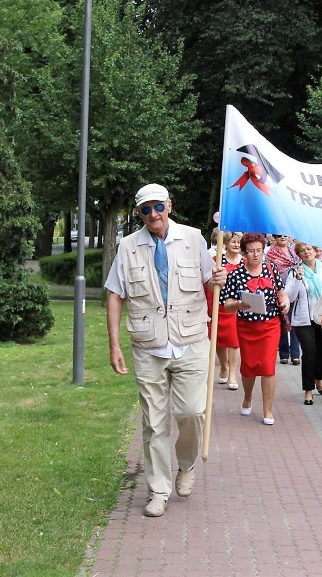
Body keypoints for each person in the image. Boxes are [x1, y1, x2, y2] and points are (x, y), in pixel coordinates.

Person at [105, 183, 227, 518]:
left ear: (169, 206)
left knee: (191, 412)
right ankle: (158, 489)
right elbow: (115, 294)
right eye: (146, 209)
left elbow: (210, 282)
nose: (153, 214)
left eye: (158, 207)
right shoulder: (128, 246)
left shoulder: (193, 238)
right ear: (139, 214)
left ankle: (185, 466)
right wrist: (114, 345)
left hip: (190, 341)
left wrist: (219, 277)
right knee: (154, 423)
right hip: (148, 346)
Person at [222, 233, 290, 426]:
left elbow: (281, 291)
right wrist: (237, 304)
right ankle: (248, 397)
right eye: (251, 251)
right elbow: (226, 304)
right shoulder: (235, 274)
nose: (255, 255)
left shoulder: (271, 268)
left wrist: (284, 301)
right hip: (246, 326)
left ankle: (268, 410)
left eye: (259, 251)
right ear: (244, 253)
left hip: (270, 325)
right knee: (249, 367)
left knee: (268, 367)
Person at [285, 242, 322, 405]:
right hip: (304, 319)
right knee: (310, 351)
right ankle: (308, 390)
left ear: (315, 250)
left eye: (309, 249)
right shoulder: (295, 271)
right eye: (302, 251)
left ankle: (318, 379)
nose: (306, 252)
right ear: (299, 255)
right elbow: (289, 297)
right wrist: (297, 279)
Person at [208, 230, 242, 391]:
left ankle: (233, 374)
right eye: (233, 241)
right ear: (226, 244)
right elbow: (208, 283)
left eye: (238, 242)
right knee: (220, 339)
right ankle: (224, 366)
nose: (236, 244)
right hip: (220, 305)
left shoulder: (244, 263)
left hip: (239, 306)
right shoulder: (217, 262)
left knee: (235, 341)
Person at [266, 234, 302, 364]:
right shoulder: (271, 253)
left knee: (294, 321)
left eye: (285, 235)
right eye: (279, 235)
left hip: (295, 288)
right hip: (279, 291)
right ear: (275, 237)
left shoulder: (294, 251)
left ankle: (295, 354)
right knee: (282, 321)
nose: (282, 237)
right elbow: (269, 271)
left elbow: (300, 265)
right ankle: (284, 353)